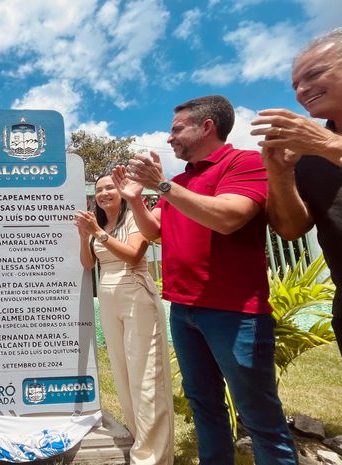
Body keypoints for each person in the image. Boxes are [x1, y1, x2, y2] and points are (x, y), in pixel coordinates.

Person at [113, 95, 298, 464]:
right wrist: (135, 199)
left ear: (207, 126)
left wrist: (162, 186)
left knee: (259, 418)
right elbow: (155, 233)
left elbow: (229, 217)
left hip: (235, 314)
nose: (169, 138)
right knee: (204, 406)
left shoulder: (243, 163)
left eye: (177, 129)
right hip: (184, 311)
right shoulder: (182, 180)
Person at [251, 27, 342, 357]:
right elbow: (291, 230)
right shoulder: (308, 154)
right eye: (295, 85)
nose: (302, 91)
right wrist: (281, 173)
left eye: (314, 75)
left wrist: (325, 143)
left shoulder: (318, 143)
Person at [74, 170, 174, 465]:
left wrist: (97, 233)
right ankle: (139, 437)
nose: (104, 193)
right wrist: (85, 237)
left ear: (122, 191)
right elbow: (88, 263)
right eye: (99, 189)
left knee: (145, 374)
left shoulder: (135, 217)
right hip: (107, 293)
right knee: (122, 371)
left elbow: (133, 255)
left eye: (110, 188)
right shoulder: (100, 224)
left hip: (134, 290)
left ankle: (153, 456)